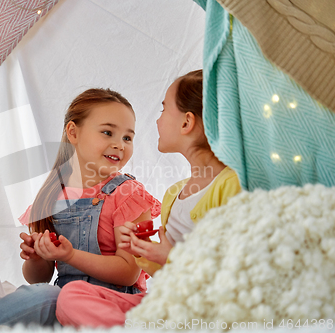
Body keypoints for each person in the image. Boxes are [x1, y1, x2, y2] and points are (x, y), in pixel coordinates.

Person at [0, 88, 161, 327]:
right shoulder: (52, 197)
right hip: (62, 304)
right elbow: (40, 277)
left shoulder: (128, 194)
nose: (119, 145)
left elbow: (128, 271)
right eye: (108, 132)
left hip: (109, 305)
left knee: (45, 298)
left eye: (127, 138)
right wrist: (38, 257)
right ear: (73, 132)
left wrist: (70, 255)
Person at [55, 70, 242, 328]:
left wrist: (171, 258)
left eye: (164, 109)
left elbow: (239, 268)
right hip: (169, 306)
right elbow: (165, 273)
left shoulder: (232, 186)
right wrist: (141, 250)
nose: (156, 121)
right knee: (71, 297)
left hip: (207, 313)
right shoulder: (174, 194)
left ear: (186, 123)